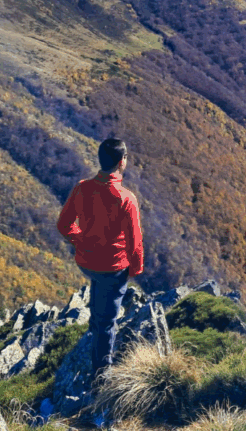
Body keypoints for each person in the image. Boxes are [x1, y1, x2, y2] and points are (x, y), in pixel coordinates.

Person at [57, 138, 144, 380]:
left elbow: (64, 225)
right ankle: (101, 375)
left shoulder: (82, 188)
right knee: (108, 322)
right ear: (121, 162)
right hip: (113, 268)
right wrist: (135, 269)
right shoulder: (126, 198)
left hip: (87, 262)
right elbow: (135, 242)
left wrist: (81, 240)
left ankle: (94, 324)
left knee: (99, 294)